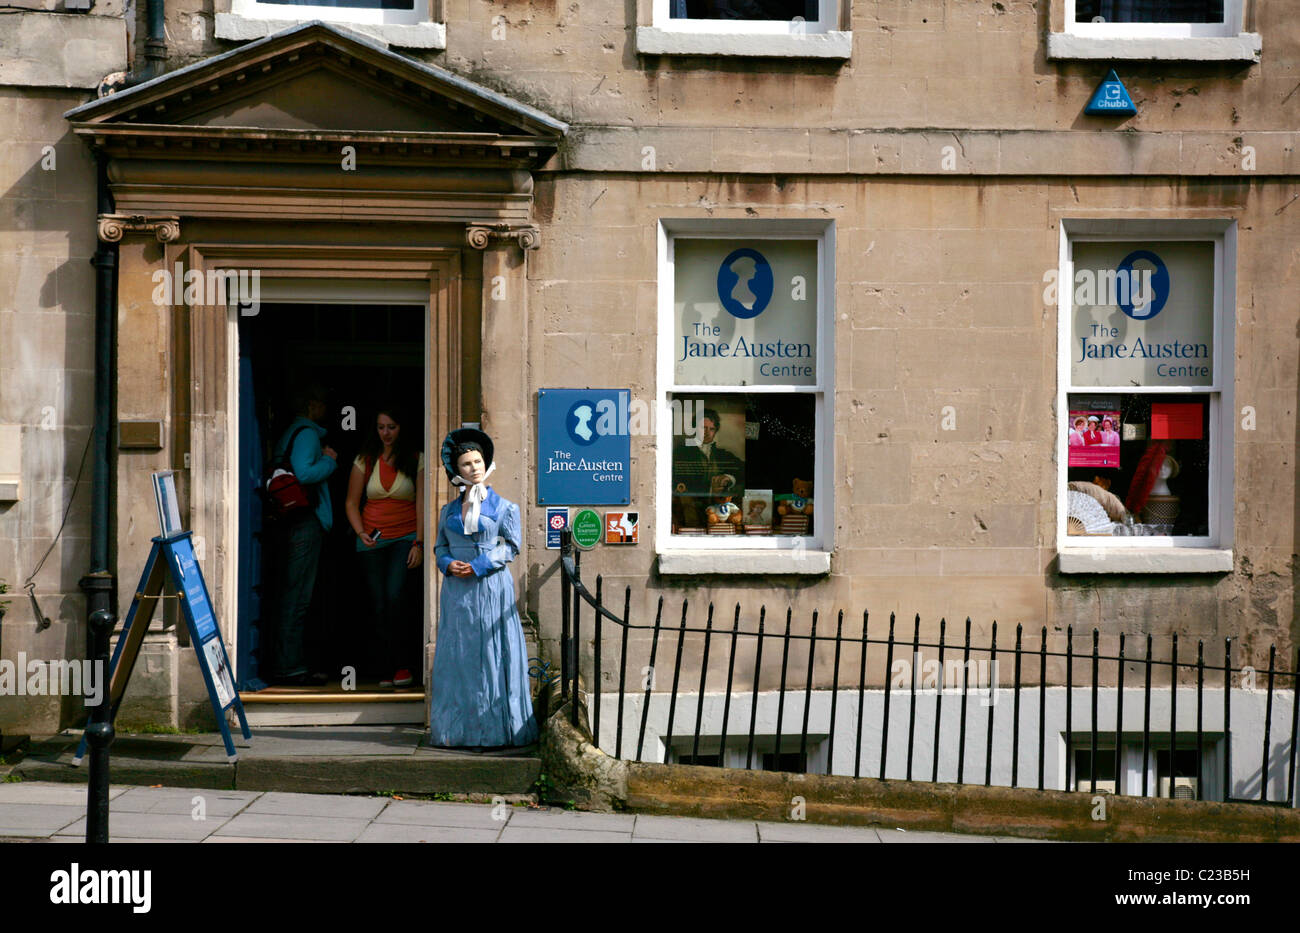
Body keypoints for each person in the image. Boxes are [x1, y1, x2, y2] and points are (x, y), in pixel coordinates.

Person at [429, 429, 538, 749]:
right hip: (457, 594)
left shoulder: (506, 508)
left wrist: (478, 565)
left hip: (491, 589)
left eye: (477, 461)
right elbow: (439, 547)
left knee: (492, 654)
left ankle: (495, 731)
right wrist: (449, 563)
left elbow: (511, 547)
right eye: (466, 463)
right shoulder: (448, 511)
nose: (474, 467)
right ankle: (457, 731)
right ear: (456, 470)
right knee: (460, 655)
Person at [345, 406, 425, 689]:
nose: (386, 433)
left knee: (395, 598)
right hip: (372, 541)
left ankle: (403, 666)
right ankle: (383, 666)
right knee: (377, 604)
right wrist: (360, 532)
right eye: (381, 427)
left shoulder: (416, 458)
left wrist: (419, 542)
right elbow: (352, 503)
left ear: (401, 427)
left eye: (391, 426)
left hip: (405, 538)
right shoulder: (364, 460)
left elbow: (421, 504)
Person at [271, 383, 337, 686]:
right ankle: (290, 668)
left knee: (292, 591)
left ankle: (290, 662)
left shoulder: (289, 432)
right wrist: (330, 460)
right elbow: (305, 473)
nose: (326, 410)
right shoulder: (308, 433)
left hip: (290, 520)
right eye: (323, 404)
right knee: (298, 595)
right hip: (305, 521)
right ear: (312, 405)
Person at [671, 407, 745, 526]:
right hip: (690, 515)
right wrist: (711, 488)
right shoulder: (681, 453)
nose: (707, 432)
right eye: (703, 428)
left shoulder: (722, 455)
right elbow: (677, 483)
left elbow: (744, 470)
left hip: (719, 517)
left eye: (711, 429)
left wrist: (729, 478)